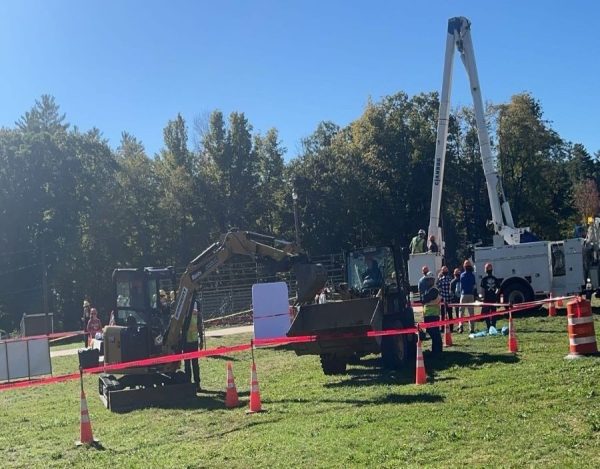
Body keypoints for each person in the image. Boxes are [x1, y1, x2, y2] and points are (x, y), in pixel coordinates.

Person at [422, 272, 443, 355]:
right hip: (429, 315)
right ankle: (435, 350)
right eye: (426, 280)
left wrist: (423, 297)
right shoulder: (429, 289)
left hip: (433, 315)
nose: (427, 282)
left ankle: (437, 351)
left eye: (428, 280)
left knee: (435, 333)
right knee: (432, 333)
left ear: (432, 280)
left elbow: (425, 299)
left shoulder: (434, 290)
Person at [183, 303, 202, 392]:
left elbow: (199, 326)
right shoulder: (182, 315)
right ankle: (188, 383)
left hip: (194, 341)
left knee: (195, 364)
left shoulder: (196, 314)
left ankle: (197, 383)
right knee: (187, 365)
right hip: (185, 342)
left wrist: (201, 339)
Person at [480, 262, 501, 331]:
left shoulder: (484, 279)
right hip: (493, 298)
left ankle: (489, 326)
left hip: (486, 299)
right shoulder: (495, 278)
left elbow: (482, 290)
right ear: (492, 270)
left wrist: (481, 297)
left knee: (487, 313)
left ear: (485, 270)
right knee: (494, 312)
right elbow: (499, 288)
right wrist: (495, 294)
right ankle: (494, 326)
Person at [459, 260, 477, 334]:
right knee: (471, 313)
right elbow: (474, 285)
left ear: (464, 267)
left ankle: (460, 327)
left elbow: (461, 286)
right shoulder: (472, 275)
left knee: (461, 312)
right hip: (471, 295)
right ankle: (471, 329)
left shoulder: (462, 275)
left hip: (463, 295)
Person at [437, 266, 453, 332]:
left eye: (445, 270)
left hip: (447, 299)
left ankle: (447, 328)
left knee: (447, 314)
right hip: (445, 300)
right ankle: (446, 328)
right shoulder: (443, 279)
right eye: (444, 270)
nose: (445, 271)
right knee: (445, 314)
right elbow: (438, 289)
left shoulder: (447, 279)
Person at [449, 268, 462, 332]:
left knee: (457, 313)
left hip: (455, 300)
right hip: (462, 298)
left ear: (454, 274)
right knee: (462, 313)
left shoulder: (452, 282)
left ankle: (459, 326)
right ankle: (461, 325)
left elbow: (451, 292)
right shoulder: (462, 280)